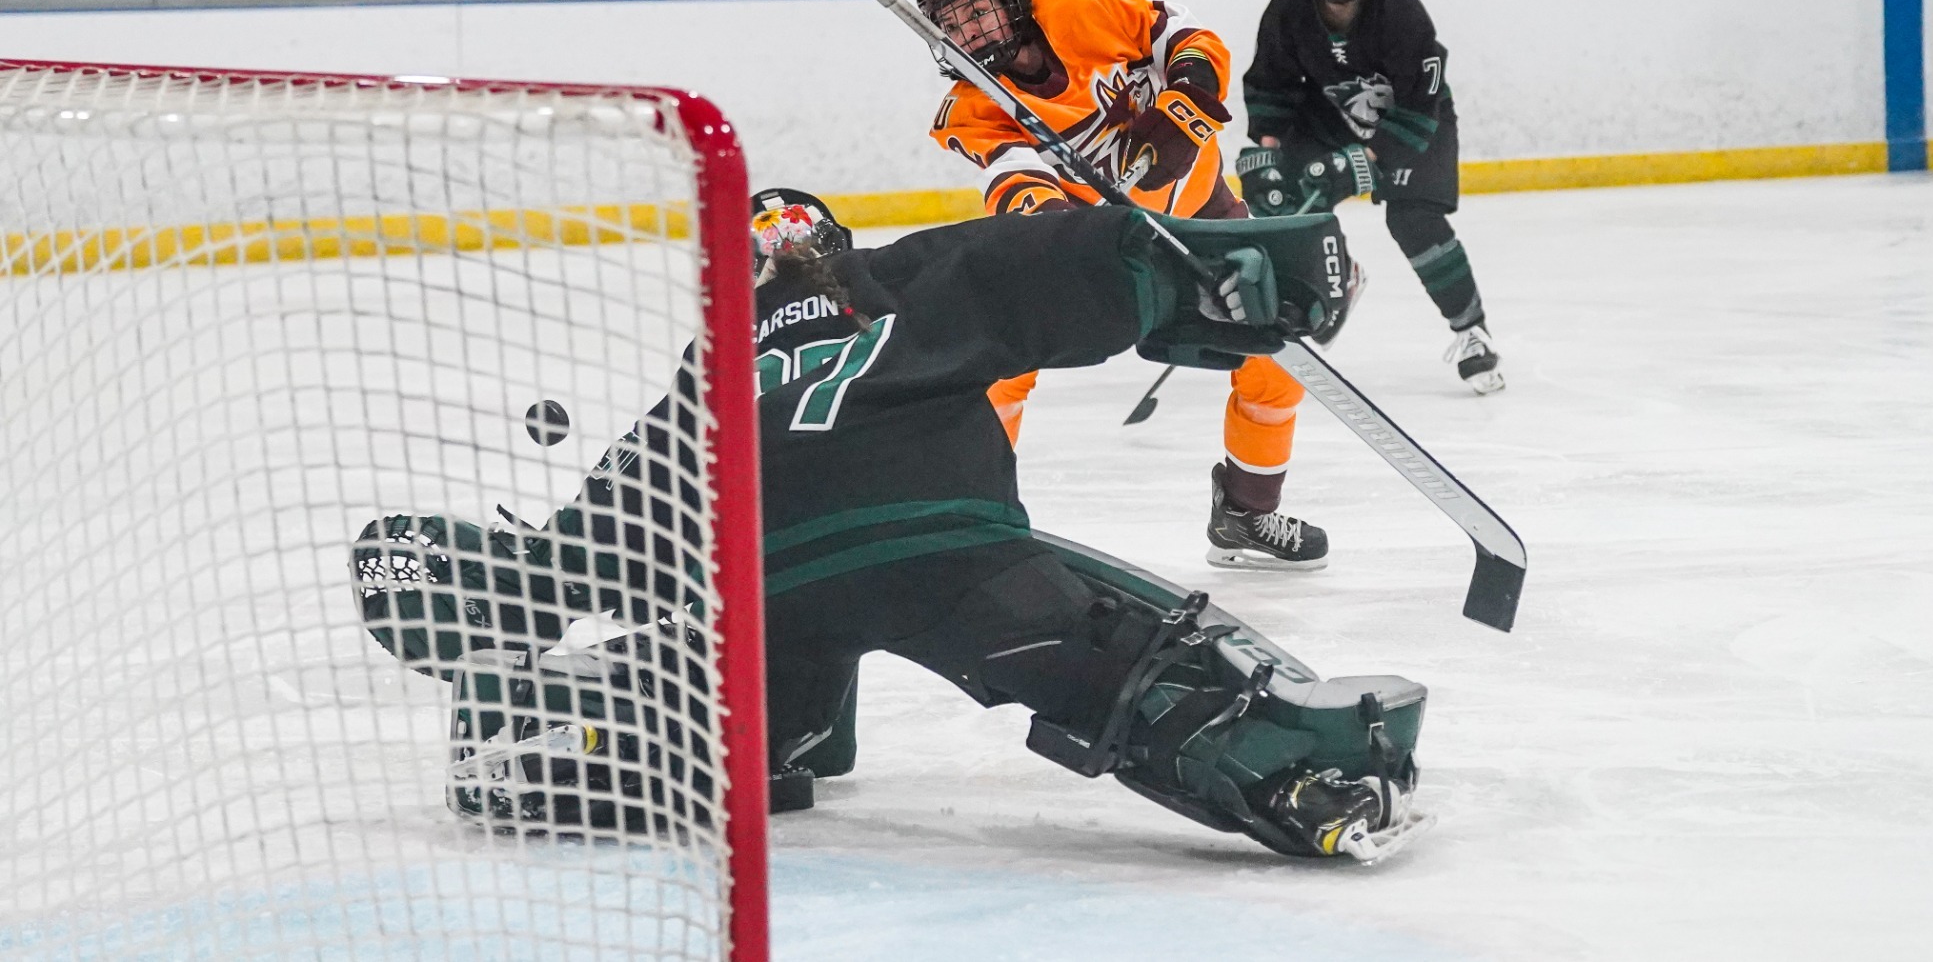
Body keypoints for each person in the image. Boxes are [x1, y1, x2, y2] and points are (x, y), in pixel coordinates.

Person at [349, 191, 1431, 863]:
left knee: (740, 695)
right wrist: (1195, 270)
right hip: (932, 546)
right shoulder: (884, 280)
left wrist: (523, 581)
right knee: (1106, 664)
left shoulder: (709, 367)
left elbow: (621, 520)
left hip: (769, 584)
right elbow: (1025, 271)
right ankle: (1293, 773)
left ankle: (565, 736)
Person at [917, 0, 1368, 571]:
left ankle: (1246, 513)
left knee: (1277, 351)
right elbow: (1015, 184)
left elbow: (1190, 40)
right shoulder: (971, 109)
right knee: (1002, 362)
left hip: (1206, 212)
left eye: (978, 8)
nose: (971, 30)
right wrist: (1063, 226)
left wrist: (1184, 105)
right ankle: (965, 517)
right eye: (953, 21)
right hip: (1100, 249)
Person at [1242, 0, 1504, 395]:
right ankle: (1337, 281)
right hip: (1333, 118)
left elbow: (1417, 105)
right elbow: (1271, 85)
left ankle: (1473, 333)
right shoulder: (1290, 8)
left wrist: (1366, 160)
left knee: (1412, 218)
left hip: (1413, 123)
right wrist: (1271, 149)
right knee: (1279, 199)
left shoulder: (1399, 11)